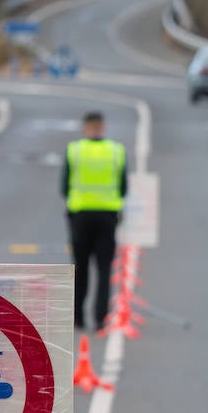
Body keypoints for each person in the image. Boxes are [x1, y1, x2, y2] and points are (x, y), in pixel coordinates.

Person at [62, 111, 128, 330]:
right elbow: (123, 186)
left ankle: (77, 317)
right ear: (102, 126)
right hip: (107, 216)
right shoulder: (116, 151)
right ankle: (101, 317)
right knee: (104, 269)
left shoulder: (75, 150)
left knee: (80, 268)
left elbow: (64, 186)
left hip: (80, 216)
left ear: (85, 127)